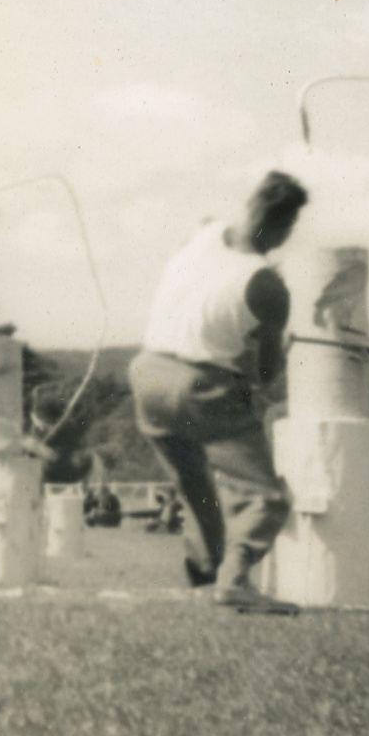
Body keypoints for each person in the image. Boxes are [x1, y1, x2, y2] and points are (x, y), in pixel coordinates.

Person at [128, 171, 308, 614]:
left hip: (146, 372)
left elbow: (205, 252)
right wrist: (276, 340)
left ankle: (204, 575)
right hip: (199, 385)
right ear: (286, 229)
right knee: (264, 497)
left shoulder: (205, 233)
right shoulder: (267, 284)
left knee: (195, 487)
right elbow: (266, 375)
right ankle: (233, 581)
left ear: (248, 207)